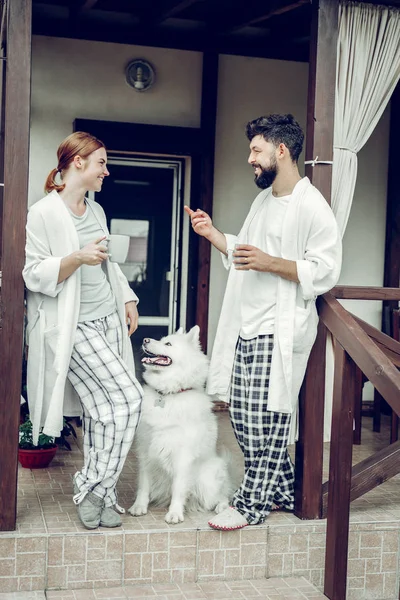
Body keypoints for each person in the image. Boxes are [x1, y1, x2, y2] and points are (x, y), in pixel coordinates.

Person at [185, 114, 342, 531]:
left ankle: (252, 503)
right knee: (241, 417)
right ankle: (285, 491)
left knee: (269, 420)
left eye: (256, 150)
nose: (250, 158)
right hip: (247, 324)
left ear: (281, 150)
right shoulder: (263, 200)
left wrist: (272, 263)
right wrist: (214, 234)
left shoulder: (312, 206)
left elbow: (326, 269)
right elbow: (247, 252)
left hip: (281, 327)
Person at [23, 132, 143, 530]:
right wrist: (75, 257)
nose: (106, 172)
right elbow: (33, 273)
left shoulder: (97, 210)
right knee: (129, 397)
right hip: (73, 325)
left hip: (108, 318)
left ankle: (102, 495)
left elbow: (109, 265)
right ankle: (91, 485)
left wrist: (126, 298)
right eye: (101, 164)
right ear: (78, 163)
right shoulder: (43, 213)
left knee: (102, 411)